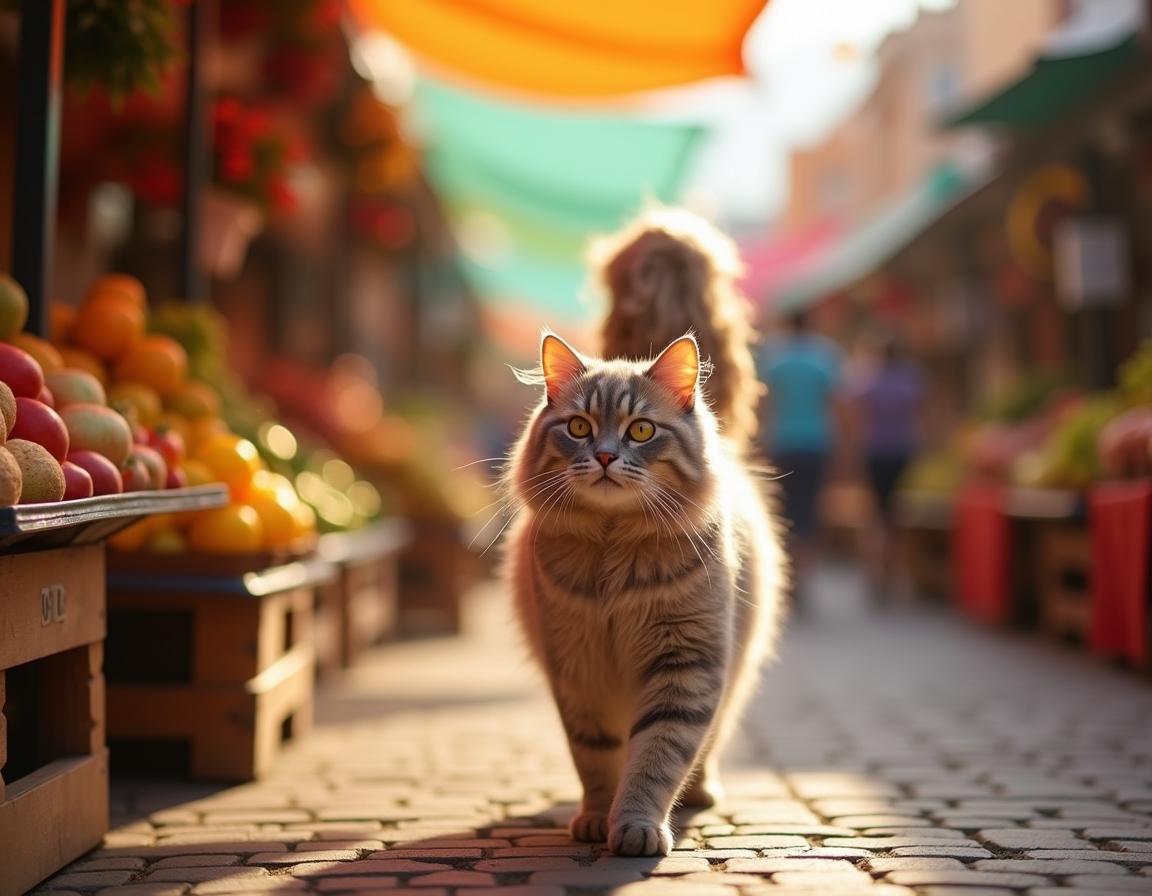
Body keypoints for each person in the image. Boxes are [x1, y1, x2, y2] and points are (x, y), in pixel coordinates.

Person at [756, 309, 845, 593]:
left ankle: (787, 578)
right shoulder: (827, 355)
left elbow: (765, 404)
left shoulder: (774, 357)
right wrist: (844, 448)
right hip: (817, 443)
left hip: (782, 443)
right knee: (810, 511)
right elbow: (836, 405)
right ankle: (804, 578)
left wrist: (760, 441)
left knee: (783, 512)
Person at [848, 332, 927, 599]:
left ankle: (876, 572)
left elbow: (859, 419)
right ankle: (893, 573)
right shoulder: (911, 378)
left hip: (874, 452)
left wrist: (855, 452)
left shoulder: (869, 380)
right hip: (903, 450)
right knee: (896, 514)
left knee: (876, 515)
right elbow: (919, 416)